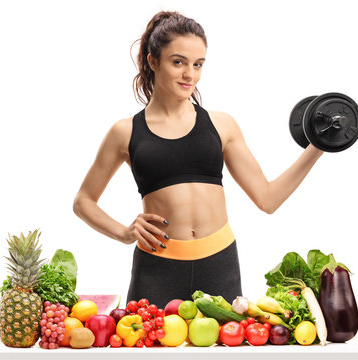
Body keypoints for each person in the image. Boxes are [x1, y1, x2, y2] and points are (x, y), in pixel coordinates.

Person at [72, 11, 323, 308]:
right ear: (153, 61)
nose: (190, 74)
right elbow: (83, 201)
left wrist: (317, 146)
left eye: (198, 64)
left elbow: (267, 199)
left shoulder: (222, 125)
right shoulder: (124, 132)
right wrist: (125, 233)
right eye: (178, 62)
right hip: (157, 268)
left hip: (219, 265)